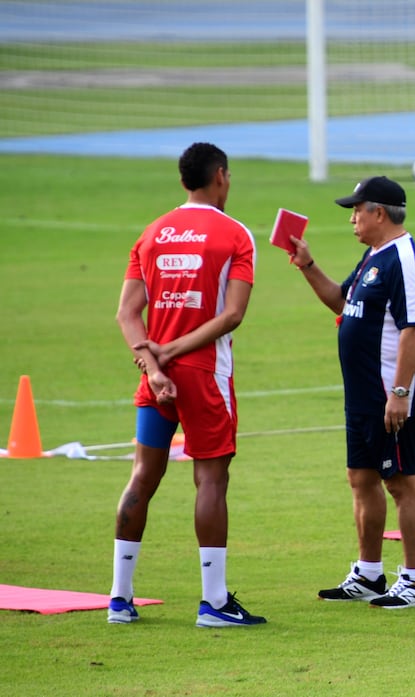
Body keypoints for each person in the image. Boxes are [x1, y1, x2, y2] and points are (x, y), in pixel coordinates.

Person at [109, 142, 266, 627]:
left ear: (183, 182)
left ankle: (119, 598)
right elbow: (233, 314)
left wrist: (154, 367)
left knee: (142, 476)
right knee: (211, 479)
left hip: (155, 377)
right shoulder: (235, 234)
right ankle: (214, 602)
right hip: (204, 375)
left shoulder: (152, 233)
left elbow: (126, 314)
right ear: (220, 175)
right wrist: (176, 353)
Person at [290, 176, 415, 609]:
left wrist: (400, 391)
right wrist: (306, 264)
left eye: (357, 210)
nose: (352, 218)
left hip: (390, 392)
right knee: (362, 479)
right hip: (362, 394)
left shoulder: (406, 259)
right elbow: (341, 301)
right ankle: (370, 574)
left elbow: (413, 329)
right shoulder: (373, 256)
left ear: (380, 212)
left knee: (401, 481)